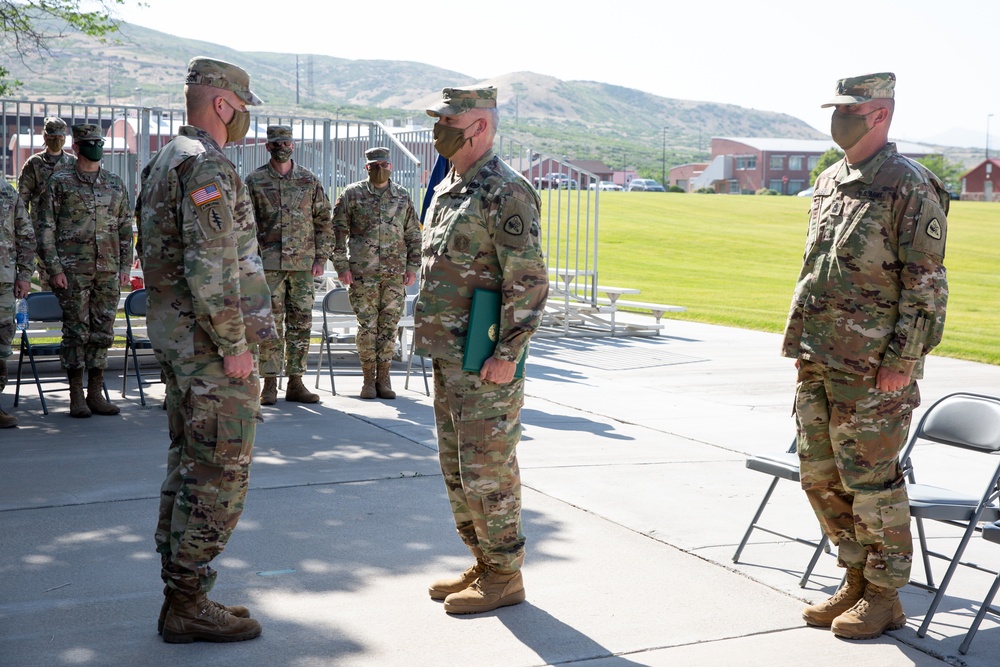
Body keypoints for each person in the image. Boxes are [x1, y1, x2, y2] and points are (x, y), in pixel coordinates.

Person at [782, 72, 949, 640]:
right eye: (836, 108)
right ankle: (853, 577)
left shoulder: (910, 184)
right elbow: (817, 267)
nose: (839, 118)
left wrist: (902, 360)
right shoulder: (831, 179)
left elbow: (926, 283)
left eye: (850, 110)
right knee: (819, 474)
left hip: (875, 364)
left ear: (881, 114)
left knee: (871, 479)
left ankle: (884, 594)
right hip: (818, 353)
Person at [137, 56, 275, 644]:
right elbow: (211, 267)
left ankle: (182, 596)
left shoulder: (165, 160)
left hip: (183, 345)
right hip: (213, 355)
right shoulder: (205, 166)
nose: (244, 121)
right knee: (218, 475)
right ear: (223, 105)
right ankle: (189, 602)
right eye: (242, 109)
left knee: (188, 470)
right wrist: (236, 345)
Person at [415, 86, 548, 614]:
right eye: (438, 118)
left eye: (450, 119)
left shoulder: (504, 190)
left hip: (487, 357)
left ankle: (505, 574)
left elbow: (530, 281)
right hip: (451, 354)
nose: (439, 127)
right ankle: (483, 559)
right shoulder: (453, 184)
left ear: (480, 128)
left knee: (488, 468)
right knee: (457, 467)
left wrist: (508, 353)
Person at [37, 123, 132, 418]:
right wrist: (54, 268)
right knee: (76, 332)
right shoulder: (59, 182)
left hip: (108, 269)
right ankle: (76, 395)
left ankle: (96, 393)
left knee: (103, 331)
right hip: (72, 270)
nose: (95, 147)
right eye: (88, 142)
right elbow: (45, 229)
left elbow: (126, 228)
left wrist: (125, 266)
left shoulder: (115, 183)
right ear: (75, 147)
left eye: (98, 141)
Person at [246, 125, 333, 405]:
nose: (282, 147)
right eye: (276, 143)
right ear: (268, 147)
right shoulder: (255, 181)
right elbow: (245, 225)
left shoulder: (308, 180)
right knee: (269, 324)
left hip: (302, 266)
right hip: (267, 266)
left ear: (293, 146)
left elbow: (323, 222)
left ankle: (296, 382)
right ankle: (269, 384)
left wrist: (320, 259)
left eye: (286, 142)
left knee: (301, 323)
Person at [332, 146, 421, 399]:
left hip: (394, 275)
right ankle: (368, 380)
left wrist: (413, 267)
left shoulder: (402, 196)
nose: (379, 169)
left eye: (383, 164)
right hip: (362, 274)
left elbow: (413, 234)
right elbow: (337, 233)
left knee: (388, 328)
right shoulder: (352, 194)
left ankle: (384, 379)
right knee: (367, 328)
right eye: (374, 166)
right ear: (366, 168)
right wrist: (342, 267)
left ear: (390, 166)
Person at [17, 117, 76, 287]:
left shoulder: (72, 163)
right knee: (49, 280)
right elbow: (22, 202)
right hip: (42, 233)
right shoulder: (34, 164)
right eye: (52, 137)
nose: (56, 140)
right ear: (44, 137)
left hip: (69, 234)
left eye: (60, 137)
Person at [0, 181, 35, 428]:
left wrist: (24, 275)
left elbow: (25, 234)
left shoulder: (6, 191)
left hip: (3, 281)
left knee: (2, 344)